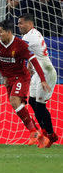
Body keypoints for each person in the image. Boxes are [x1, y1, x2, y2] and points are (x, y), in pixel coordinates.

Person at [0, 20, 51, 148]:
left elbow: (34, 61)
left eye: (0, 32)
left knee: (14, 100)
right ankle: (40, 136)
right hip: (9, 79)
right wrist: (4, 75)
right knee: (18, 106)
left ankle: (33, 132)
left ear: (9, 32)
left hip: (21, 77)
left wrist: (42, 79)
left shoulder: (20, 45)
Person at [18, 14, 59, 147]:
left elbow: (19, 51)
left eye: (21, 23)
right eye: (18, 23)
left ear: (30, 24)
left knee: (40, 106)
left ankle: (50, 135)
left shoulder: (31, 37)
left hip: (46, 72)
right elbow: (30, 54)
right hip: (37, 72)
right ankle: (45, 132)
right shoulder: (30, 34)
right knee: (32, 102)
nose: (19, 26)